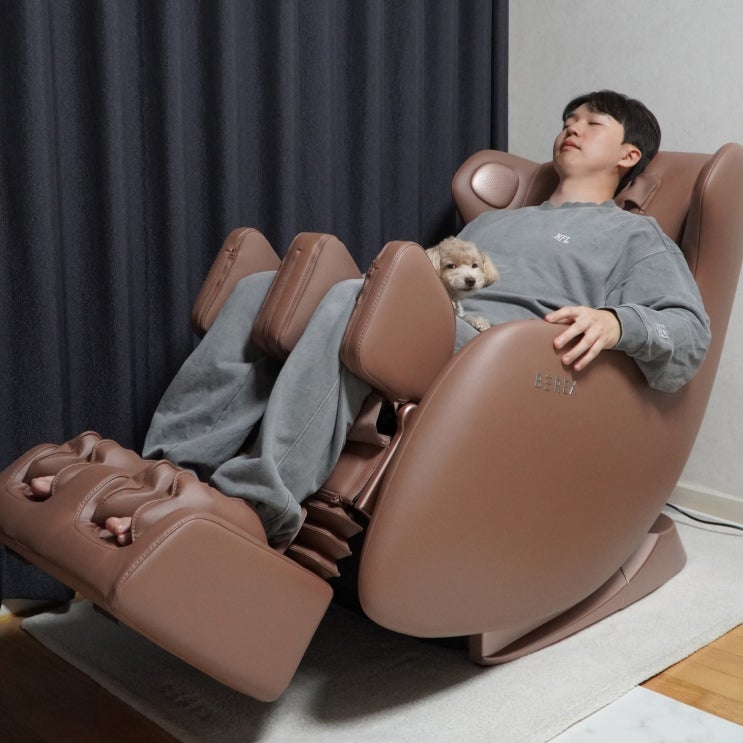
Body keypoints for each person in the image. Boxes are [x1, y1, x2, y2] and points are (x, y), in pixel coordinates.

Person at [27, 90, 710, 547]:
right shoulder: (496, 222)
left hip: (497, 359)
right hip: (439, 321)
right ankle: (166, 468)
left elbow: (688, 333)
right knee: (264, 287)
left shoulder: (631, 235)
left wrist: (618, 324)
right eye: (569, 117)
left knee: (349, 295)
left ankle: (260, 504)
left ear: (629, 155)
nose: (572, 127)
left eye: (593, 122)